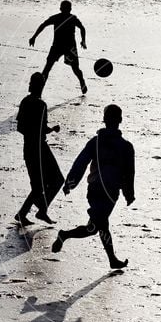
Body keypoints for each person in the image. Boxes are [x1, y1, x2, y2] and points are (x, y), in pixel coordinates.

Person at [51, 104, 135, 270]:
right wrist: (128, 193)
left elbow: (80, 163)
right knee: (100, 225)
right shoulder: (126, 147)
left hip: (95, 189)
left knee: (94, 227)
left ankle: (65, 235)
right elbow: (129, 173)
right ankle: (111, 259)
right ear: (120, 120)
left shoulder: (95, 143)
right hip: (110, 193)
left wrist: (71, 183)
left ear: (104, 120)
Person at [14, 73, 64, 226]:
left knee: (38, 185)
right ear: (42, 86)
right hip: (40, 149)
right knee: (57, 180)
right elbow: (41, 129)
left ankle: (23, 214)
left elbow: (20, 127)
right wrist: (50, 130)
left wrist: (37, 132)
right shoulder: (41, 105)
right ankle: (42, 209)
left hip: (28, 148)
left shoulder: (25, 101)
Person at [29, 0, 88, 95]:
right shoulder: (68, 18)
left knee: (52, 69)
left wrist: (34, 37)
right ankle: (81, 80)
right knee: (49, 68)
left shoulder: (64, 18)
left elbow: (43, 25)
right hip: (64, 46)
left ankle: (81, 81)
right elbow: (82, 28)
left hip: (62, 46)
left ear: (62, 8)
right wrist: (83, 40)